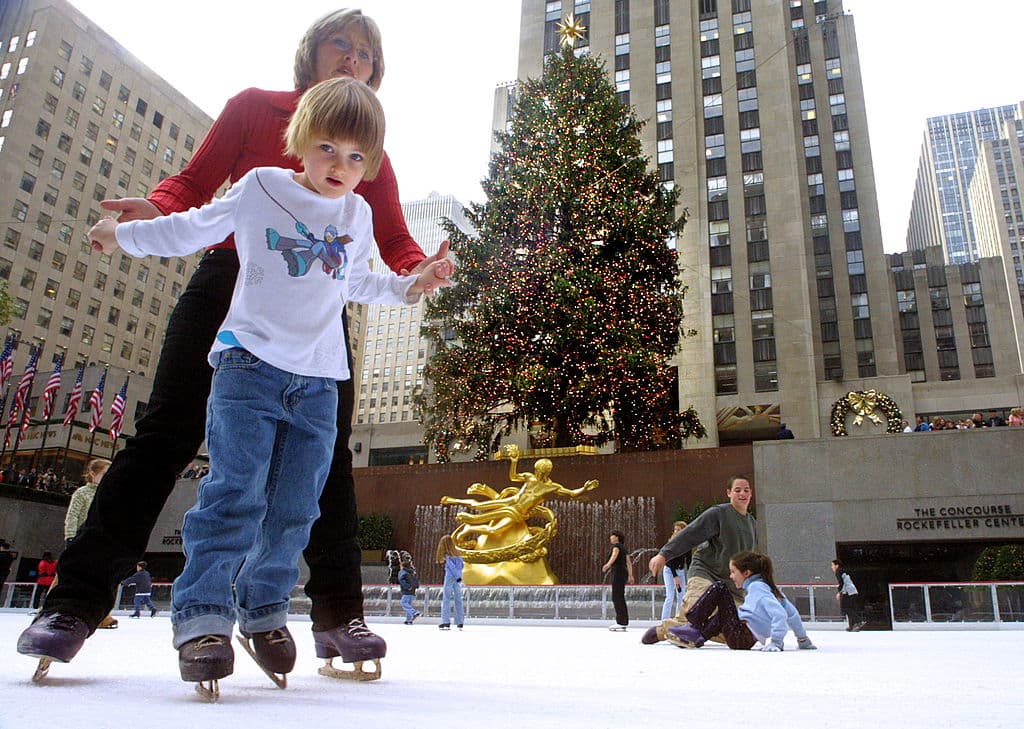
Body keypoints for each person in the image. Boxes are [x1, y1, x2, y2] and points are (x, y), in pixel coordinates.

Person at [18, 8, 450, 682]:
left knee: (322, 456)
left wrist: (421, 268)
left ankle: (337, 613)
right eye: (342, 42)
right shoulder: (254, 109)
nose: (354, 58)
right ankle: (73, 602)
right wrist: (155, 209)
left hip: (315, 302)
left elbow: (388, 242)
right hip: (231, 276)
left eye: (367, 54)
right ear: (311, 52)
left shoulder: (370, 157)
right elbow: (194, 186)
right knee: (166, 429)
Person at [643, 475, 757, 645]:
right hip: (706, 573)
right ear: (729, 493)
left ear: (751, 494)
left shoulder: (752, 523)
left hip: (732, 586)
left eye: (746, 490)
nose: (742, 493)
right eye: (737, 490)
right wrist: (664, 554)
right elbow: (691, 533)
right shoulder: (719, 513)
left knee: (743, 632)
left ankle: (671, 629)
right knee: (695, 609)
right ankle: (677, 631)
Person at [666, 551, 816, 651]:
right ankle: (698, 636)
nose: (731, 576)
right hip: (742, 636)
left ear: (746, 573)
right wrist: (803, 639)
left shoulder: (758, 588)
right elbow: (792, 614)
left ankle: (693, 624)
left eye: (733, 572)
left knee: (720, 588)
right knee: (730, 611)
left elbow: (780, 615)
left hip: (741, 636)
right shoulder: (769, 588)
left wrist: (776, 642)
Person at [63, 459, 118, 630]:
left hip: (102, 539)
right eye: (103, 474)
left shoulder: (108, 492)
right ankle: (54, 610)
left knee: (101, 577)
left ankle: (99, 613)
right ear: (93, 474)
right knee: (70, 577)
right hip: (82, 538)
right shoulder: (82, 493)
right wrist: (70, 536)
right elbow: (72, 515)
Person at [603, 530, 635, 631]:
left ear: (617, 537)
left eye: (612, 536)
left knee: (616, 596)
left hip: (617, 572)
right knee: (620, 596)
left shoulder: (616, 546)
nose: (610, 538)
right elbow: (629, 562)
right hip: (623, 573)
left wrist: (608, 564)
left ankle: (621, 622)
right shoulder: (623, 548)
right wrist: (630, 575)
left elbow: (614, 555)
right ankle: (623, 621)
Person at [435, 535, 464, 630]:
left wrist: (456, 575)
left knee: (446, 599)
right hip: (457, 577)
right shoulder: (458, 554)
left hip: (450, 577)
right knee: (458, 599)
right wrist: (459, 576)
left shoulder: (448, 556)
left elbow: (451, 567)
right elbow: (461, 566)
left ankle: (445, 621)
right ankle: (460, 621)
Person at [661, 521, 688, 621]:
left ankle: (678, 619)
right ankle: (664, 620)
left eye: (679, 530)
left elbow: (688, 560)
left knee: (681, 596)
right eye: (675, 529)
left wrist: (690, 576)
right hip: (669, 570)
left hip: (680, 571)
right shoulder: (671, 543)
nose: (676, 531)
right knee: (670, 596)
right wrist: (675, 577)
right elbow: (670, 561)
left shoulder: (687, 543)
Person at [832, 559, 865, 631]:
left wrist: (839, 592)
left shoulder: (838, 571)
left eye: (832, 565)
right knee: (850, 608)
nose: (832, 567)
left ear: (836, 565)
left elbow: (842, 583)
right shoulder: (843, 571)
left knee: (845, 608)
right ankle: (852, 626)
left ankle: (859, 621)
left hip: (848, 592)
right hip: (852, 591)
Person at [398, 555, 421, 625]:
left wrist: (407, 587)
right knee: (409, 605)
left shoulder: (402, 571)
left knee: (403, 603)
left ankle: (414, 612)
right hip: (412, 591)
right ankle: (409, 620)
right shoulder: (412, 572)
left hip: (406, 591)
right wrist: (415, 587)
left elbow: (401, 580)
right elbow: (416, 580)